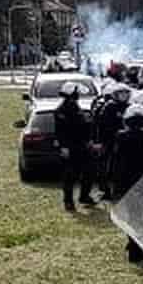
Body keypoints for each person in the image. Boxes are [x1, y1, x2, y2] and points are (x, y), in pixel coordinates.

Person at [110, 102, 143, 263]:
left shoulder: (121, 137)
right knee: (140, 217)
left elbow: (115, 163)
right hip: (141, 183)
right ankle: (136, 250)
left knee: (134, 217)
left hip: (127, 184)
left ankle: (134, 246)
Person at [54, 82, 95, 211]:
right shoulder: (62, 110)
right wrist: (63, 147)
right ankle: (68, 201)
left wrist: (89, 140)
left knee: (89, 172)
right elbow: (60, 131)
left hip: (82, 145)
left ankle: (84, 196)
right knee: (70, 175)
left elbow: (83, 126)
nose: (78, 95)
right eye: (76, 93)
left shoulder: (76, 106)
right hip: (70, 147)